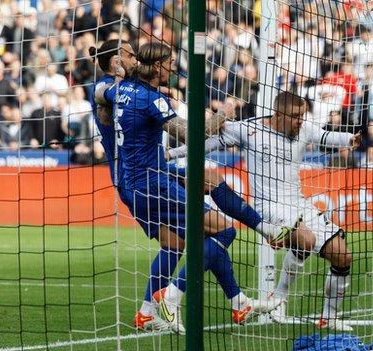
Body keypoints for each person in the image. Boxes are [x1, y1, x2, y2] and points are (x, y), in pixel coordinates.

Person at [93, 41, 281, 332]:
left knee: (180, 235)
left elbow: (101, 99)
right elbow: (191, 134)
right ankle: (173, 295)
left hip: (137, 176)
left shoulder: (116, 89)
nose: (172, 69)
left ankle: (156, 310)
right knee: (222, 229)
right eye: (129, 55)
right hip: (148, 180)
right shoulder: (146, 97)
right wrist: (224, 114)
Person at [164, 91, 361, 331]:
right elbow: (207, 144)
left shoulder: (304, 129)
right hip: (267, 206)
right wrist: (170, 155)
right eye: (296, 116)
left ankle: (329, 317)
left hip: (299, 203)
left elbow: (325, 136)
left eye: (303, 115)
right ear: (279, 114)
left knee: (342, 255)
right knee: (305, 239)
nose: (301, 121)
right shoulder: (250, 130)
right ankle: (279, 298)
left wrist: (349, 138)